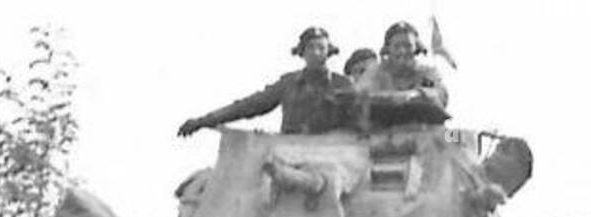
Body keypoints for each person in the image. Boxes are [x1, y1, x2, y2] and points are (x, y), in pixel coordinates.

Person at [177, 27, 354, 137]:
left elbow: (363, 119)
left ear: (329, 51)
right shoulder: (288, 83)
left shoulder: (344, 85)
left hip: (333, 154)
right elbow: (250, 105)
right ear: (301, 52)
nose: (316, 52)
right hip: (289, 151)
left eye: (321, 47)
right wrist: (204, 121)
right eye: (311, 47)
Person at [354, 21, 449, 129]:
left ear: (416, 48)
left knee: (460, 137)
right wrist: (389, 99)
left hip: (426, 134)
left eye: (408, 46)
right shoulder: (375, 73)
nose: (403, 51)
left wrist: (413, 95)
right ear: (388, 49)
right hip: (383, 135)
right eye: (397, 46)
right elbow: (360, 96)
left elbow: (440, 95)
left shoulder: (427, 72)